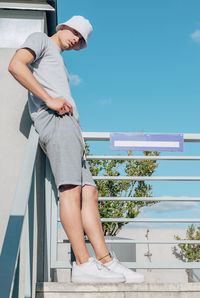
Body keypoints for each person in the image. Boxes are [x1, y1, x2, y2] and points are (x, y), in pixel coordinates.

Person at [8, 15, 144, 284]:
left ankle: (106, 261)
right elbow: (15, 65)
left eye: (81, 40)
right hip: (55, 121)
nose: (77, 40)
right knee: (70, 189)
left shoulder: (58, 59)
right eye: (76, 33)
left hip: (69, 127)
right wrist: (49, 99)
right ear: (64, 26)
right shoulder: (41, 41)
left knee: (90, 192)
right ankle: (82, 264)